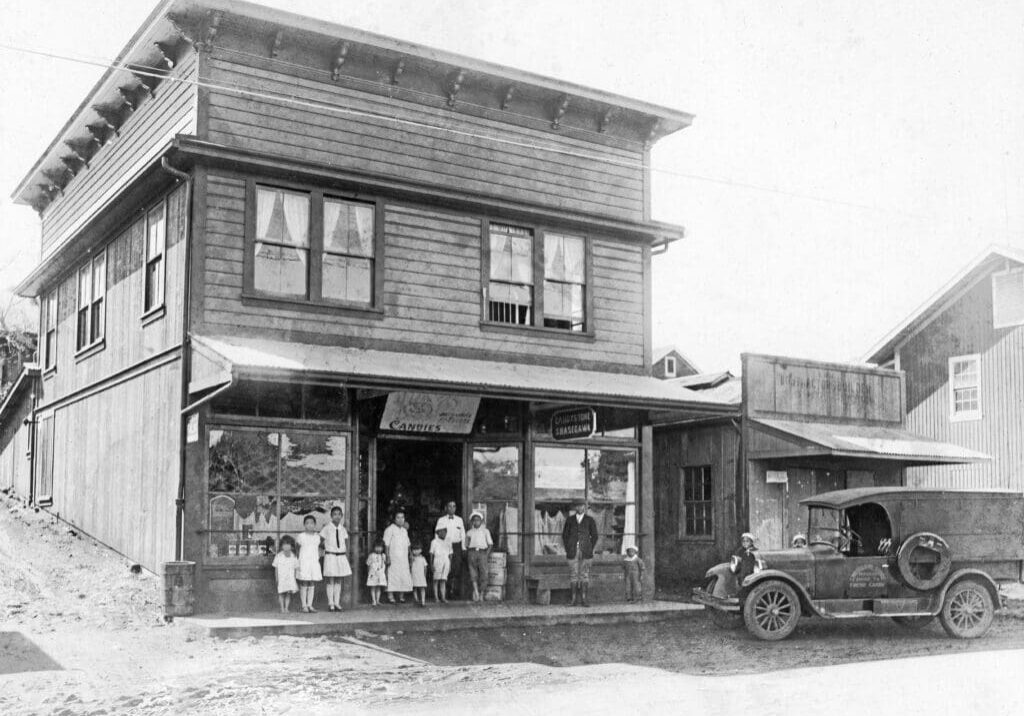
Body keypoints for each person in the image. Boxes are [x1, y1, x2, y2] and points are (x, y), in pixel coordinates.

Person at [562, 500, 599, 607]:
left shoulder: (590, 520)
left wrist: (589, 547)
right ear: (575, 508)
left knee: (584, 575)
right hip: (572, 551)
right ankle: (573, 600)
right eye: (577, 506)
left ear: (585, 507)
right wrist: (568, 547)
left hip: (586, 552)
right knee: (573, 575)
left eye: (582, 505)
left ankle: (584, 599)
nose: (579, 508)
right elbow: (565, 536)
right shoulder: (569, 520)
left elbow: (595, 536)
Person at [320, 506, 351, 612]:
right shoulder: (327, 528)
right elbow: (320, 541)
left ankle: (337, 602)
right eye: (335, 514)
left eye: (339, 514)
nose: (337, 516)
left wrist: (345, 554)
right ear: (331, 516)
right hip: (331, 556)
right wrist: (326, 549)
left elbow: (345, 542)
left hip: (341, 556)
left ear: (342, 516)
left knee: (338, 580)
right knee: (330, 580)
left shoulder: (343, 529)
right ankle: (330, 603)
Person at [435, 501, 466, 599]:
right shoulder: (441, 520)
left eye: (454, 506)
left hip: (456, 546)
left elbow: (463, 534)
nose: (452, 508)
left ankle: (453, 590)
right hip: (444, 546)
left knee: (456, 568)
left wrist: (463, 548)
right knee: (445, 567)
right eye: (449, 506)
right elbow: (437, 534)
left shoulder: (459, 520)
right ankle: (445, 592)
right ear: (446, 508)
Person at [295, 514, 323, 613]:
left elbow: (320, 548)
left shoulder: (317, 537)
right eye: (307, 523)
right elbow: (297, 549)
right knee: (304, 582)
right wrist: (299, 561)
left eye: (312, 523)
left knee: (312, 582)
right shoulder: (301, 536)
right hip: (304, 561)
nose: (309, 525)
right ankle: (304, 605)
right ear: (304, 525)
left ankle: (310, 605)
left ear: (315, 524)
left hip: (313, 562)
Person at [383, 511, 413, 603]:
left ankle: (401, 596)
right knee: (392, 576)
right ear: (394, 519)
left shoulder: (404, 531)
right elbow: (386, 544)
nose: (400, 520)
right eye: (398, 517)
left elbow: (408, 544)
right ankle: (390, 596)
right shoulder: (389, 529)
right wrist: (387, 556)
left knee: (403, 575)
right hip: (393, 557)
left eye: (402, 517)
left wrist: (410, 554)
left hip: (403, 557)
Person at [465, 511, 493, 602]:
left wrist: (486, 554)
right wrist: (469, 551)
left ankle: (481, 593)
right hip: (472, 552)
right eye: (474, 520)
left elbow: (490, 544)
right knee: (473, 573)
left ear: (481, 521)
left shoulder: (485, 531)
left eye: (478, 520)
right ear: (472, 521)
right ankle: (476, 591)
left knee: (484, 574)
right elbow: (466, 544)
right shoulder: (469, 532)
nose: (476, 522)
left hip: (482, 553)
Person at [272, 535, 299, 613]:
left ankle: (286, 608)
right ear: (281, 546)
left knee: (288, 594)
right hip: (282, 578)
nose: (286, 546)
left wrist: (294, 579)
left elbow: (295, 568)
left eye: (288, 544)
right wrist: (277, 578)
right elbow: (276, 568)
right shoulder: (278, 556)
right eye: (284, 544)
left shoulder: (294, 556)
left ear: (292, 546)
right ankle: (282, 608)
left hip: (290, 578)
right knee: (281, 593)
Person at [430, 527, 451, 603]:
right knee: (436, 580)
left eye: (444, 532)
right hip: (437, 561)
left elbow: (450, 554)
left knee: (443, 580)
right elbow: (431, 554)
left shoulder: (448, 542)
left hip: (446, 561)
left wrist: (450, 564)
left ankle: (443, 597)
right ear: (437, 533)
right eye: (440, 532)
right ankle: (436, 597)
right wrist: (431, 564)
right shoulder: (434, 542)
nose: (443, 533)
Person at [366, 540, 388, 607]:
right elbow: (368, 564)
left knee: (378, 587)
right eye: (377, 547)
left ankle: (378, 600)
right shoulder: (371, 555)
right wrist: (369, 573)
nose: (378, 549)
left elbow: (385, 564)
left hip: (380, 573)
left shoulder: (383, 555)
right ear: (374, 548)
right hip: (373, 573)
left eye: (380, 547)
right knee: (373, 587)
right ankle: (374, 601)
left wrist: (384, 572)